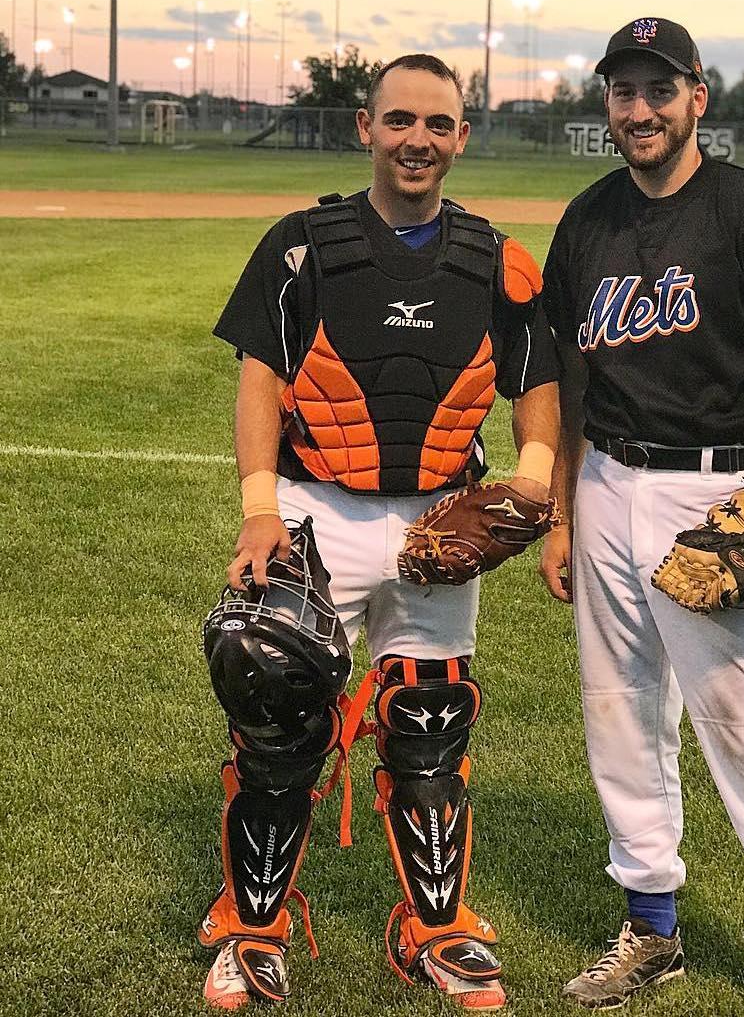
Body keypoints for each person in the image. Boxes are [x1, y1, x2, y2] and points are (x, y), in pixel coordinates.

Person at [201, 53, 560, 1012]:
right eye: (399, 120)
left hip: (442, 522)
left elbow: (536, 384)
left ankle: (434, 926)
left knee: (430, 722)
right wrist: (258, 505)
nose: (417, 140)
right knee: (276, 710)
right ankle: (253, 923)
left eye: (438, 124)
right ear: (366, 127)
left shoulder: (498, 260)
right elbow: (260, 383)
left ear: (462, 137)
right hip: (316, 512)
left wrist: (532, 479)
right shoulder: (301, 246)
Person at [538, 19, 744, 1016]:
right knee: (620, 712)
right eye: (624, 92)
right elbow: (570, 378)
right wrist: (562, 515)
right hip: (606, 484)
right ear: (608, 104)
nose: (641, 110)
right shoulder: (587, 221)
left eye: (659, 91)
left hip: (720, 493)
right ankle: (650, 929)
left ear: (697, 99)